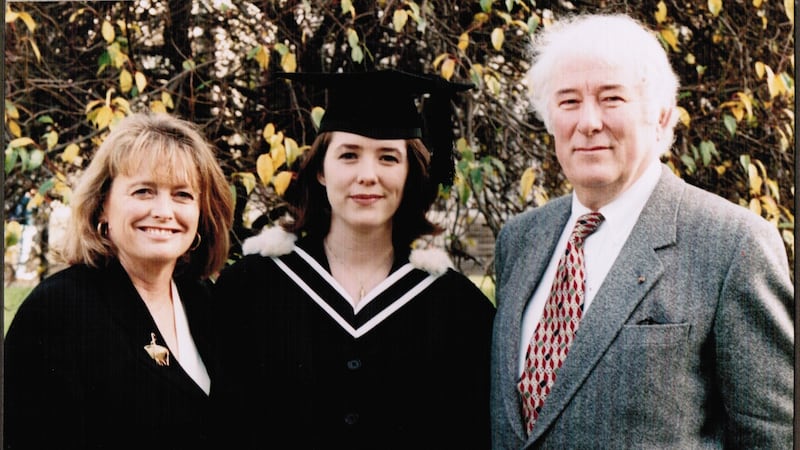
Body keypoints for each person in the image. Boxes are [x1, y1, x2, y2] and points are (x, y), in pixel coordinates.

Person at [490, 13, 794, 449]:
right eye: (569, 101)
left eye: (611, 99)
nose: (588, 122)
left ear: (661, 116)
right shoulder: (520, 240)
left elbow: (774, 436)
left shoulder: (733, 245)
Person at [212, 69, 496, 449]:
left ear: (410, 173)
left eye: (388, 158)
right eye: (348, 155)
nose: (367, 175)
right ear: (320, 170)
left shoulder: (459, 308)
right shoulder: (250, 289)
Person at [3, 112, 234, 450]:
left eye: (182, 194)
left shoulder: (205, 301)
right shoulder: (58, 310)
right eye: (144, 191)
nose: (164, 211)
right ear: (102, 207)